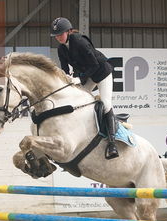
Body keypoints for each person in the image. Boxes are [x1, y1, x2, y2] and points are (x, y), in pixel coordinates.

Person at [50, 17, 118, 159]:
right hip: (87, 75)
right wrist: (67, 80)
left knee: (105, 104)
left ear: (68, 32)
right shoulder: (61, 49)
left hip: (102, 72)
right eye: (56, 35)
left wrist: (79, 79)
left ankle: (112, 143)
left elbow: (95, 65)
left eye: (60, 34)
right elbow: (64, 70)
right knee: (77, 101)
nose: (58, 37)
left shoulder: (80, 42)